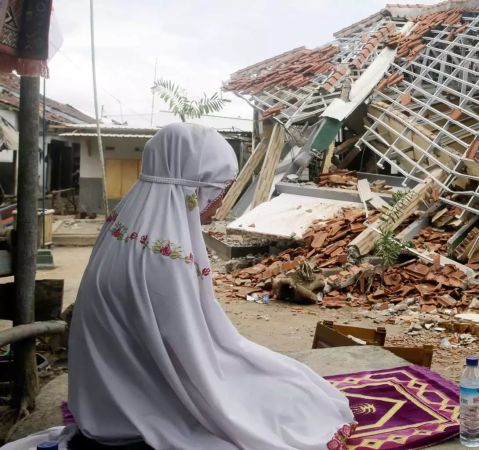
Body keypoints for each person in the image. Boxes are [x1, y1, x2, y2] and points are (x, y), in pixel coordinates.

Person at [3, 123, 355, 450]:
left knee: (276, 378)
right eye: (216, 189)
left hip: (104, 393)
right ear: (191, 186)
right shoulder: (163, 256)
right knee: (286, 398)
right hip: (137, 402)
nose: (217, 201)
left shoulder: (126, 225)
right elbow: (188, 353)